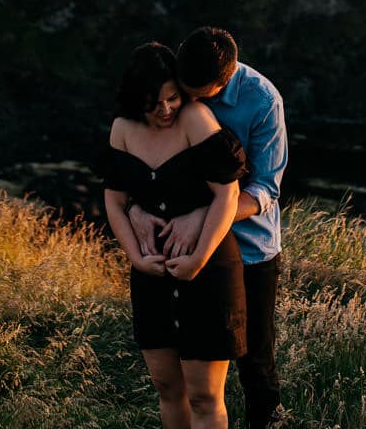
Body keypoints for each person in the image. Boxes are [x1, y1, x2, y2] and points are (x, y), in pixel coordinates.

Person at [130, 27, 288, 429]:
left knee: (254, 359)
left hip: (249, 249)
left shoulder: (263, 101)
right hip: (178, 248)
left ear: (227, 77)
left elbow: (266, 189)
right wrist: (134, 208)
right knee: (183, 360)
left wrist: (205, 214)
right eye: (188, 92)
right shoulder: (173, 87)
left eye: (207, 95)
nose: (193, 105)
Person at [104, 42, 249, 429]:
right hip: (151, 274)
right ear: (136, 99)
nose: (166, 109)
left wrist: (198, 258)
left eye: (172, 97)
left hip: (209, 269)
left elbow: (228, 194)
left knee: (204, 396)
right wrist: (136, 258)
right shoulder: (122, 129)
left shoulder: (197, 119)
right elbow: (114, 200)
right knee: (167, 389)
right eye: (154, 102)